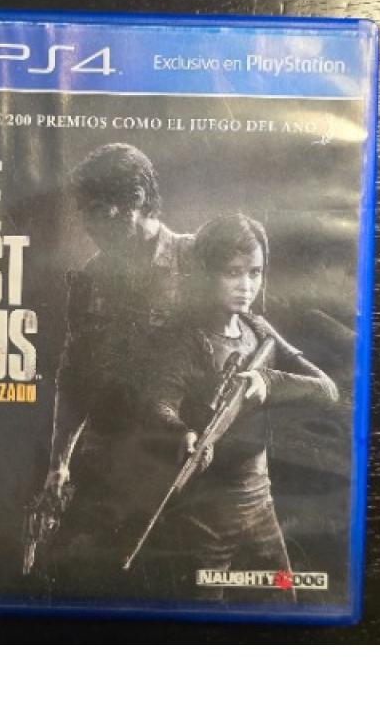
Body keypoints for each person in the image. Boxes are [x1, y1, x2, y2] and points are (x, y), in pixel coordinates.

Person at [142, 213, 339, 601]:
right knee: (201, 612)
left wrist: (269, 382)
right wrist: (180, 431)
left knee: (285, 600)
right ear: (205, 272)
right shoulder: (184, 339)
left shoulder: (257, 329)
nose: (246, 286)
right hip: (205, 513)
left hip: (260, 499)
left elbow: (327, 389)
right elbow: (159, 403)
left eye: (255, 272)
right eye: (232, 273)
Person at [33, 143, 193, 590]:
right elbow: (74, 375)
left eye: (98, 212)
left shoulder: (196, 258)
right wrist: (58, 464)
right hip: (110, 464)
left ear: (137, 198)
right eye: (84, 215)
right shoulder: (90, 278)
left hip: (185, 463)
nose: (89, 227)